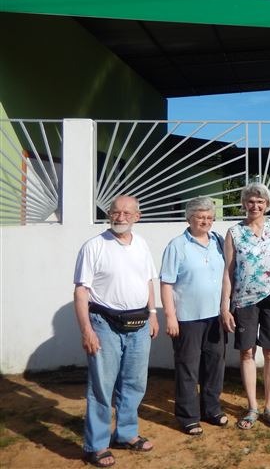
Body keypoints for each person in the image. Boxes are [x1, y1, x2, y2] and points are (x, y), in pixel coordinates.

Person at [73, 195, 159, 468]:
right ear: (109, 215)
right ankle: (95, 445)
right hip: (104, 324)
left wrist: (153, 315)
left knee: (134, 384)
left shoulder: (142, 245)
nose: (120, 217)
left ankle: (125, 433)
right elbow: (81, 291)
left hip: (139, 325)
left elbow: (148, 281)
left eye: (126, 213)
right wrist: (86, 330)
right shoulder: (94, 246)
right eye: (115, 212)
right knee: (101, 387)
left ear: (137, 216)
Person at [220, 182, 270, 430]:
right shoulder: (234, 232)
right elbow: (229, 272)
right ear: (244, 204)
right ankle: (252, 407)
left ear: (267, 205)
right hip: (244, 301)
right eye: (251, 201)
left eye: (260, 202)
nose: (255, 205)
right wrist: (225, 306)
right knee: (247, 352)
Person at [160, 197, 228, 436]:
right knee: (187, 367)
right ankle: (188, 416)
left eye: (209, 217)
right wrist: (170, 316)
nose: (205, 221)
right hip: (187, 318)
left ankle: (212, 409)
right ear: (189, 218)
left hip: (215, 317)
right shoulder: (177, 245)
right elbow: (166, 283)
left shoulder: (218, 242)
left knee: (214, 365)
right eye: (200, 217)